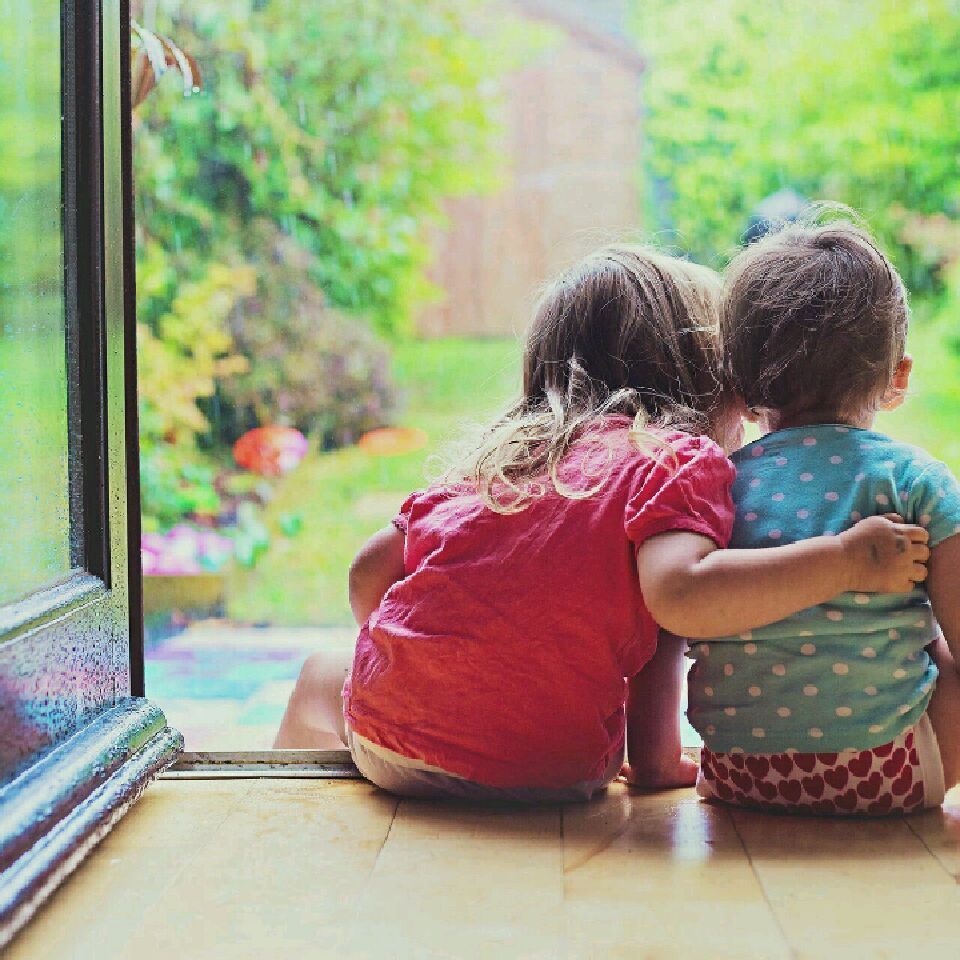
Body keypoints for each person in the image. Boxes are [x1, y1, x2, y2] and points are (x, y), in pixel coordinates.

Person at [275, 244, 927, 803]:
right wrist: (659, 765)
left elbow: (367, 577)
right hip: (556, 767)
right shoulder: (675, 466)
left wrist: (436, 655)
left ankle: (284, 822)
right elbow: (662, 641)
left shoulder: (503, 463)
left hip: (394, 744)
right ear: (704, 379)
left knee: (321, 672)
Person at [691, 214, 960, 815]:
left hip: (737, 770)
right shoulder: (916, 481)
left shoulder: (714, 486)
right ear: (898, 379)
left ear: (739, 386)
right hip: (896, 769)